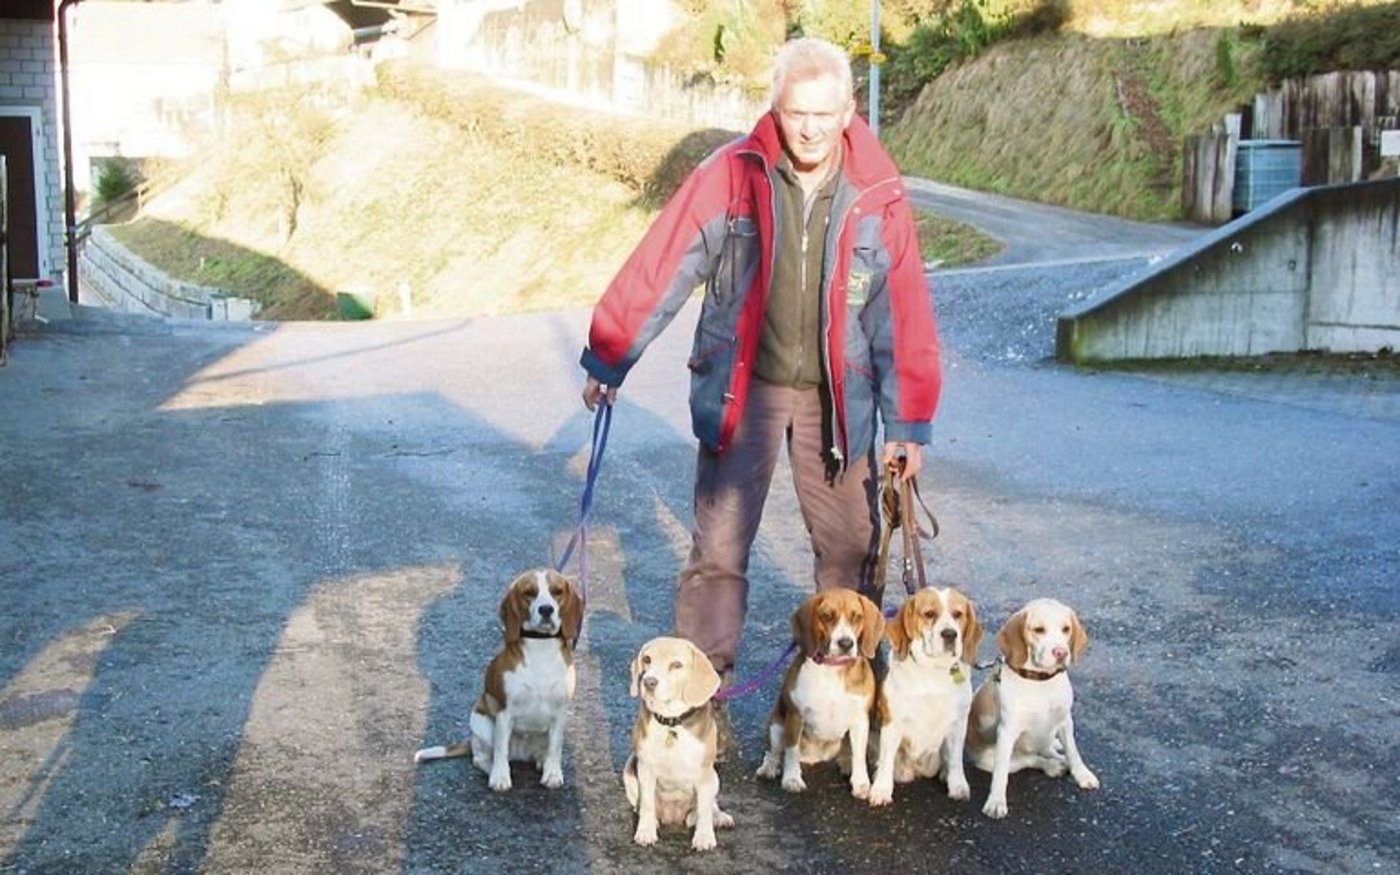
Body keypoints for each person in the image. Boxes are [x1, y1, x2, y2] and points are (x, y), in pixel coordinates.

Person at [579, 36, 942, 745]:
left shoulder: (879, 195)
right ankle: (696, 699)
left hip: (840, 402)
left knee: (850, 553)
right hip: (744, 389)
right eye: (796, 110)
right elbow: (663, 265)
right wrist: (611, 352)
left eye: (825, 112)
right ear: (776, 106)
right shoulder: (731, 175)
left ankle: (848, 699)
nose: (809, 127)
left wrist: (909, 422)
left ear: (848, 112)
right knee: (717, 552)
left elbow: (904, 311)